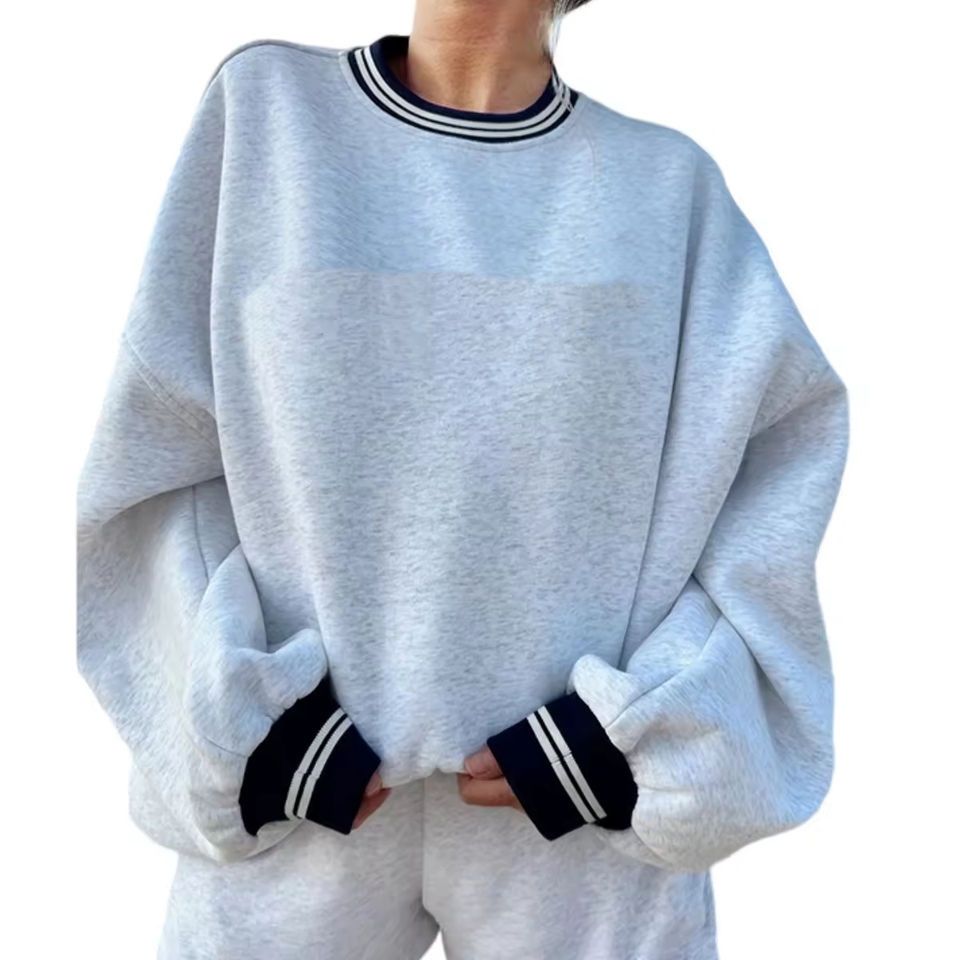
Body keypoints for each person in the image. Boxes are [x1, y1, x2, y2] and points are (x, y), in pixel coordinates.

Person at [75, 1, 850, 957]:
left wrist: (640, 738)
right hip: (300, 809)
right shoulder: (269, 121)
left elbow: (774, 472)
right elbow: (159, 456)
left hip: (583, 828)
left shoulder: (667, 190)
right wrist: (249, 728)